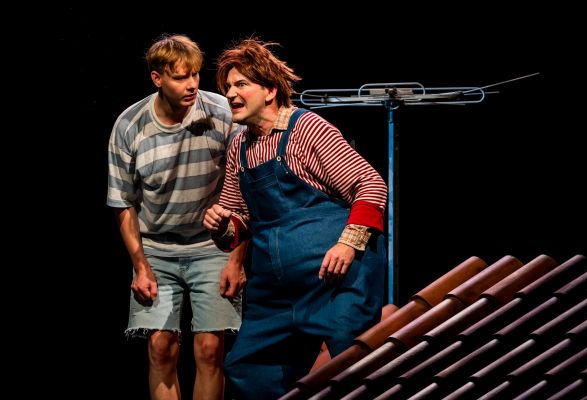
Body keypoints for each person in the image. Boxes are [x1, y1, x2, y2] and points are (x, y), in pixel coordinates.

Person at [202, 37, 388, 399]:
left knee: (353, 367)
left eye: (241, 84)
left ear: (270, 90)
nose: (231, 94)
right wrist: (221, 224)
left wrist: (348, 245)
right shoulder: (240, 145)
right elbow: (239, 219)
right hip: (276, 292)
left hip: (333, 282)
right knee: (248, 369)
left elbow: (370, 184)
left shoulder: (307, 128)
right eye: (227, 87)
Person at [107, 33, 247, 400]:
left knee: (210, 349)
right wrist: (140, 266)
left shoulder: (221, 113)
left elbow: (244, 190)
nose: (192, 85)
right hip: (156, 247)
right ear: (157, 78)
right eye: (181, 77)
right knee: (160, 348)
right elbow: (123, 202)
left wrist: (236, 259)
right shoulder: (130, 125)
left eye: (195, 74)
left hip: (212, 245)